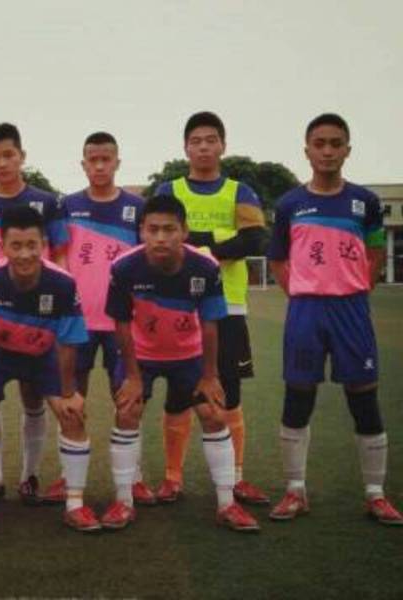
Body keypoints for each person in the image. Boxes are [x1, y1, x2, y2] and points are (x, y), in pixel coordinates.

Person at [267, 113, 402, 526]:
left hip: (351, 309)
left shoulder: (366, 202)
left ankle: (375, 494)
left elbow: (375, 252)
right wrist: (302, 292)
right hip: (306, 310)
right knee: (298, 396)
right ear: (307, 150)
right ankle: (295, 491)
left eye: (335, 143)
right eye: (320, 143)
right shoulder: (289, 204)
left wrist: (356, 286)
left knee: (364, 398)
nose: (327, 151)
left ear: (347, 150)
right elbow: (277, 260)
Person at [104, 195, 259, 532]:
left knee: (213, 413)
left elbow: (210, 323)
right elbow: (121, 323)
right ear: (141, 231)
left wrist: (210, 376)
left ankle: (227, 504)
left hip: (188, 355)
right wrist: (132, 377)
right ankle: (123, 501)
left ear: (184, 231)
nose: (161, 237)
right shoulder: (125, 267)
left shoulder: (204, 267)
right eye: (153, 230)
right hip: (142, 356)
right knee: (127, 411)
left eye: (169, 229)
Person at [0, 205, 98, 534]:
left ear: (43, 244)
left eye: (32, 245)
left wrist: (68, 393)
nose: (24, 254)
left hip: (43, 354)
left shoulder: (62, 283)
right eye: (16, 246)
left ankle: (75, 505)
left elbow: (68, 342)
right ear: (3, 246)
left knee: (73, 414)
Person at [152, 112, 268, 505]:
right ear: (185, 147)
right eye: (196, 140)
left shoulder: (241, 191)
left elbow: (254, 240)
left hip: (227, 305)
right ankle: (172, 478)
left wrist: (197, 245)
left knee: (229, 392)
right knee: (179, 393)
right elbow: (158, 237)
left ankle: (236, 477)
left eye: (211, 139)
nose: (203, 146)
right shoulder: (169, 190)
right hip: (176, 305)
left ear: (223, 145)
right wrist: (222, 238)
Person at [41, 131, 154, 506]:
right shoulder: (67, 205)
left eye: (107, 159)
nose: (100, 166)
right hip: (77, 324)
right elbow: (58, 257)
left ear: (117, 162)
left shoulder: (137, 207)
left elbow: (146, 261)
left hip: (123, 324)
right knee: (71, 401)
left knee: (129, 403)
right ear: (83, 164)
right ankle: (67, 476)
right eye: (93, 159)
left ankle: (134, 477)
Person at [0, 122, 70, 503]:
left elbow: (60, 256)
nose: (2, 163)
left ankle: (30, 476)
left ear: (22, 156)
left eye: (9, 155)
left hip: (38, 319)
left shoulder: (48, 203)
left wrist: (57, 309)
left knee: (34, 399)